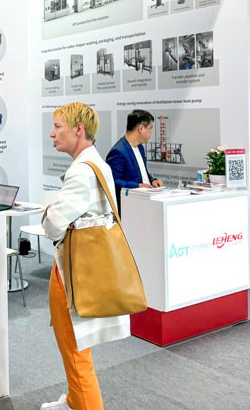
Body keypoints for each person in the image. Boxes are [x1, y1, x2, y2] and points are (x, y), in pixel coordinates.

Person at [40, 102, 130, 410]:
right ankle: (74, 400)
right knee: (74, 346)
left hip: (73, 274)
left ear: (78, 129)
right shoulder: (97, 164)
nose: (52, 134)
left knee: (76, 353)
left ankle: (82, 401)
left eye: (58, 127)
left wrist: (48, 212)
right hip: (80, 269)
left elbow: (53, 224)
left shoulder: (81, 171)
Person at [106, 110, 164, 203]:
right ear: (141, 128)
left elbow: (142, 173)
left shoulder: (140, 147)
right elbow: (113, 181)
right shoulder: (118, 151)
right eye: (150, 128)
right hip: (131, 203)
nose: (151, 132)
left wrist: (152, 180)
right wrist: (138, 186)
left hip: (146, 198)